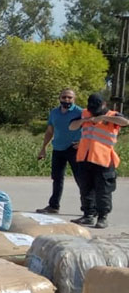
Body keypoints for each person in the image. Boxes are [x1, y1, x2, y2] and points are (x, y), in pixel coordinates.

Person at [68, 93, 128, 229]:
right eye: (91, 108)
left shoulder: (113, 115)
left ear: (104, 104)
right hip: (85, 157)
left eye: (96, 108)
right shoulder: (85, 113)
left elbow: (125, 122)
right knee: (85, 189)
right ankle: (88, 215)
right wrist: (85, 120)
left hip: (104, 159)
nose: (93, 111)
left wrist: (103, 117)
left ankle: (102, 217)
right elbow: (71, 126)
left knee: (103, 191)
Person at [36, 88, 83, 214]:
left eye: (69, 97)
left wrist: (83, 142)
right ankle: (54, 206)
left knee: (81, 178)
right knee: (57, 178)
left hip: (74, 149)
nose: (66, 100)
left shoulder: (81, 112)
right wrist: (43, 148)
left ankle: (89, 208)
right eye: (64, 97)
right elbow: (50, 131)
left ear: (74, 99)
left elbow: (91, 129)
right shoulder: (54, 112)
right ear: (60, 98)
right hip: (58, 149)